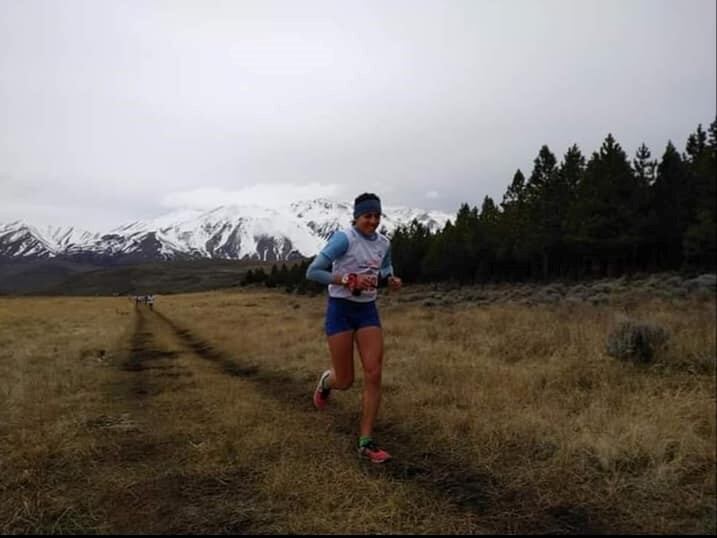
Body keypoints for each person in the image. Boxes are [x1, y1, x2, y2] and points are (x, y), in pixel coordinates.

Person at [305, 193, 402, 463]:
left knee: (373, 373)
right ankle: (327, 381)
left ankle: (366, 441)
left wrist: (390, 279)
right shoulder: (344, 239)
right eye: (367, 216)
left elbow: (385, 268)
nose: (373, 221)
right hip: (340, 310)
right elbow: (313, 271)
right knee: (345, 381)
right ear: (356, 217)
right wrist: (345, 279)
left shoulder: (384, 243)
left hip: (367, 311)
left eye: (377, 216)